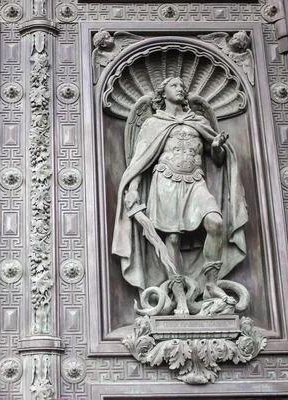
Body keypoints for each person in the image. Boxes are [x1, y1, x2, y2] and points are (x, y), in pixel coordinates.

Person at [112, 77, 248, 314]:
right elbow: (140, 160)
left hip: (195, 181)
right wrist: (132, 189)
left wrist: (216, 146)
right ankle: (180, 298)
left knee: (215, 223)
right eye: (175, 85)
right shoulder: (153, 123)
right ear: (162, 93)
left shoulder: (199, 120)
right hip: (165, 182)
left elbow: (216, 161)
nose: (182, 87)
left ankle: (211, 285)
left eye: (183, 85)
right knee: (172, 239)